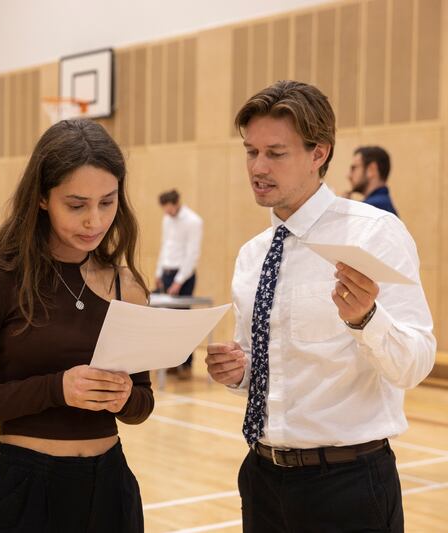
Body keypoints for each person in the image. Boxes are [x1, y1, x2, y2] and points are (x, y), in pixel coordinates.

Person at [205, 80, 434, 532]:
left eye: (276, 152)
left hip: (348, 487)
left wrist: (366, 319)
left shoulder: (374, 234)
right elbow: (266, 369)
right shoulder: (252, 255)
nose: (258, 167)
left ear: (318, 154)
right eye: (251, 152)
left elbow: (416, 363)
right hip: (261, 479)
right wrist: (238, 372)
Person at [0, 119, 154, 532]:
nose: (94, 220)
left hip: (110, 489)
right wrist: (57, 389)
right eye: (76, 205)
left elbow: (142, 404)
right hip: (25, 490)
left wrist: (124, 396)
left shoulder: (127, 284)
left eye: (107, 202)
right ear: (41, 198)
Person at [154, 188, 203, 379]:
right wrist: (159, 272)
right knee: (167, 320)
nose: (166, 212)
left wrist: (179, 281)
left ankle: (186, 363)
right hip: (167, 272)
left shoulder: (193, 221)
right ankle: (171, 362)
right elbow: (165, 246)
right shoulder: (167, 219)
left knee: (182, 321)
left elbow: (192, 254)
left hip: (184, 276)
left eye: (168, 208)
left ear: (175, 203)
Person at [347, 145, 398, 215]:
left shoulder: (372, 207)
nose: (348, 176)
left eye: (354, 168)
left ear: (372, 169)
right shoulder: (383, 204)